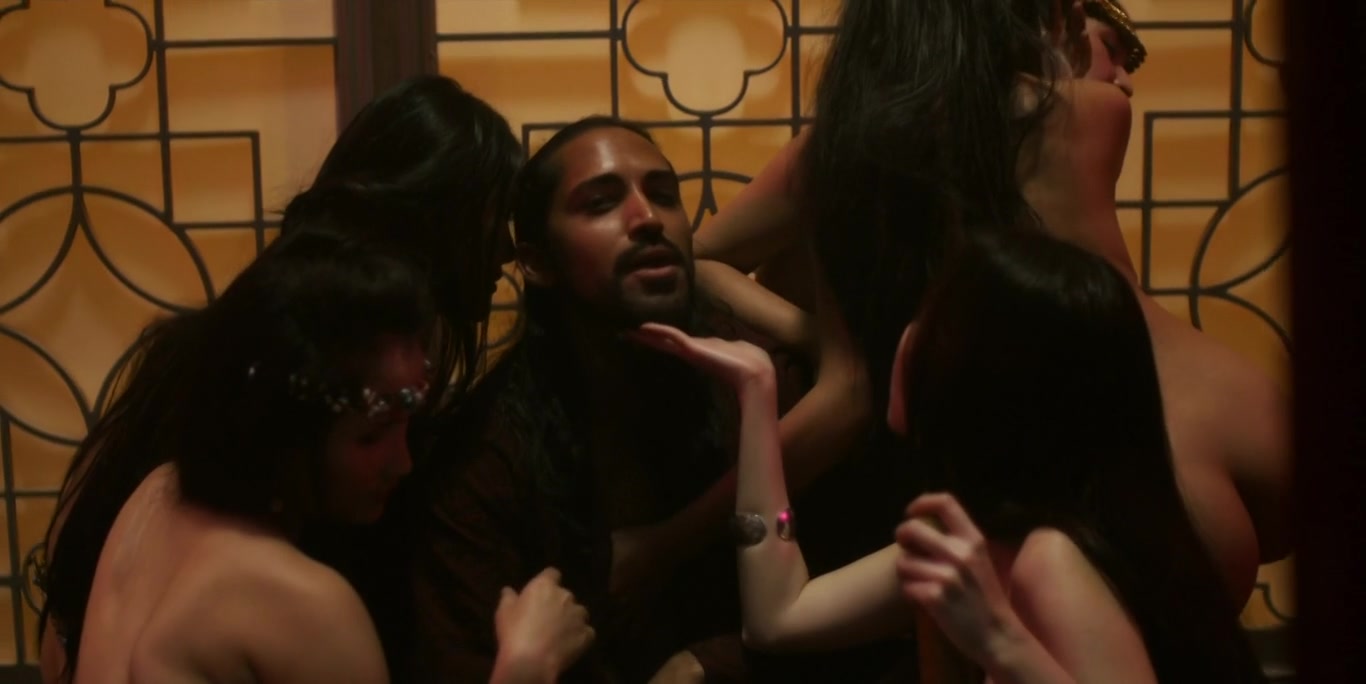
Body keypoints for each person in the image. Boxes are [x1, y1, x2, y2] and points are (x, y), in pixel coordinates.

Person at [692, 0, 1289, 604]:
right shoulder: (1092, 114)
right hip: (1212, 419)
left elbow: (705, 260)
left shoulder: (852, 148)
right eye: (1108, 46)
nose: (1123, 80)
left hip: (1074, 470)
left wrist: (805, 331)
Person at [636, 229, 1267, 683]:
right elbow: (778, 618)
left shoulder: (1050, 558)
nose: (906, 337)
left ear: (993, 381)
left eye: (935, 322)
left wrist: (998, 639)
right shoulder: (981, 531)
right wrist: (757, 395)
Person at [37, 198, 593, 684]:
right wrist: (524, 664)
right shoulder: (298, 602)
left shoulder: (156, 492)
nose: (402, 462)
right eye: (370, 436)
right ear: (281, 430)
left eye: (407, 426)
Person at [404, 116, 753, 683]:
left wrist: (706, 664)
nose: (647, 218)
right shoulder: (482, 454)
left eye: (665, 195)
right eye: (600, 204)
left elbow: (815, 609)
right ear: (537, 261)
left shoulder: (745, 377)